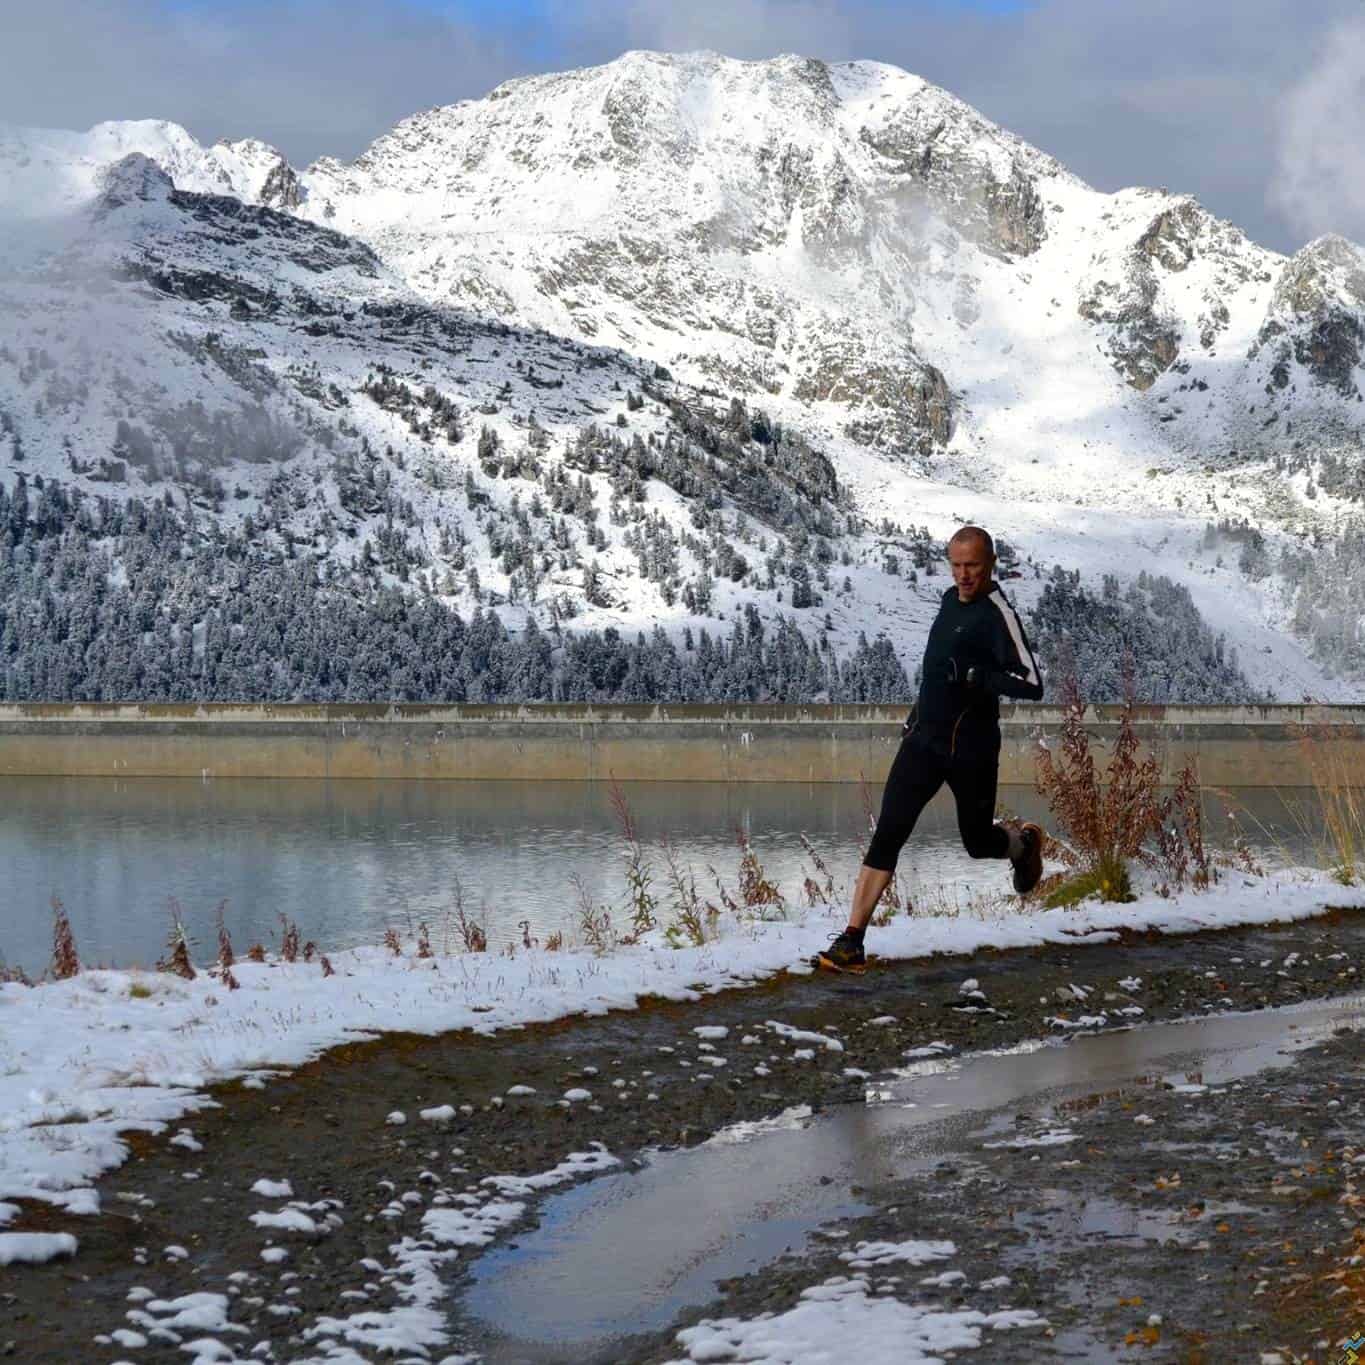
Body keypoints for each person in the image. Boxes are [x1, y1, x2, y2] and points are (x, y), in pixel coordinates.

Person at [815, 525, 1046, 974]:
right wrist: (916, 715)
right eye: (956, 565)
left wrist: (980, 676)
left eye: (972, 566)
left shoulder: (998, 612)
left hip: (973, 751)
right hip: (923, 743)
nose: (963, 575)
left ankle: (1023, 844)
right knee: (889, 833)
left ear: (990, 563)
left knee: (977, 843)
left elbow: (1032, 684)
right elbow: (936, 673)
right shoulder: (946, 602)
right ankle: (852, 940)